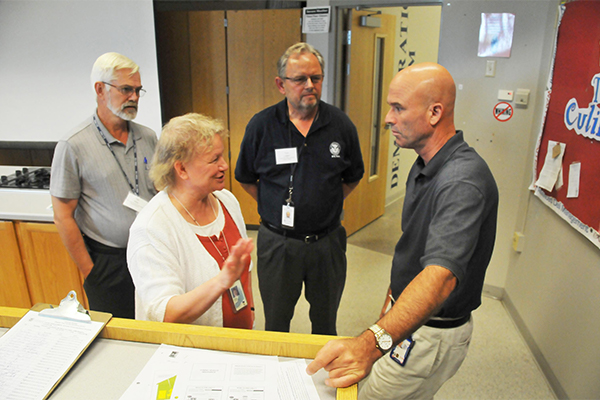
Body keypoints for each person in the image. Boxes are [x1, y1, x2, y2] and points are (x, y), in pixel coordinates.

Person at [306, 62, 499, 400]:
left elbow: (440, 277)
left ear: (435, 112)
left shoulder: (461, 181)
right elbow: (412, 250)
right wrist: (389, 308)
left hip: (430, 333)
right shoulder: (425, 163)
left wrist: (371, 343)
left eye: (398, 108)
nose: (387, 118)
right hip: (408, 324)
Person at [235, 42, 364, 335]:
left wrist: (326, 202)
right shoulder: (262, 126)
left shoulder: (340, 125)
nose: (310, 85)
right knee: (277, 323)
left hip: (327, 242)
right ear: (281, 84)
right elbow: (245, 177)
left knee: (325, 321)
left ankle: (321, 380)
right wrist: (273, 203)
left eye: (316, 78)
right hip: (278, 243)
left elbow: (353, 175)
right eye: (300, 79)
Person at [50, 52, 158, 318]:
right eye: (125, 89)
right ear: (100, 89)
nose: (133, 97)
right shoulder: (73, 145)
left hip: (151, 254)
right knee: (119, 338)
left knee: (156, 327)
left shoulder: (148, 137)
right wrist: (91, 271)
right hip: (108, 264)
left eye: (137, 90)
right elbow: (63, 216)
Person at [127, 113, 254, 328]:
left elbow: (244, 279)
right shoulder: (152, 227)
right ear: (182, 169)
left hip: (238, 342)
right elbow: (166, 312)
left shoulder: (227, 201)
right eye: (214, 159)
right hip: (190, 353)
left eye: (222, 156)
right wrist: (222, 281)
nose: (224, 165)